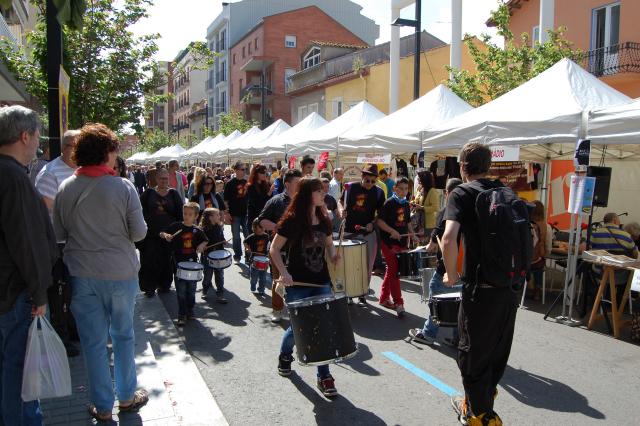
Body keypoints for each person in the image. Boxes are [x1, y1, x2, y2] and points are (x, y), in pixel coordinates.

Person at [53, 123, 149, 422]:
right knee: (123, 336)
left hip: (82, 274)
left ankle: (103, 406)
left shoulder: (66, 187)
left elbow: (59, 233)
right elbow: (139, 233)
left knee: (93, 343)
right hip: (120, 273)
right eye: (114, 150)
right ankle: (127, 396)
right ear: (107, 152)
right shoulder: (123, 187)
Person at [442, 142, 516, 426]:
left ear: (463, 166)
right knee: (496, 351)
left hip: (479, 289)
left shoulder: (461, 192)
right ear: (489, 165)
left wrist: (451, 274)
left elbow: (448, 238)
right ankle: (479, 403)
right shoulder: (505, 192)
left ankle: (481, 416)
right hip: (509, 287)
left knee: (471, 353)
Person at [0, 105, 57, 426]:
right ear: (24, 136)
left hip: (9, 291)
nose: (39, 142)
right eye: (37, 136)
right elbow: (27, 243)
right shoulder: (13, 178)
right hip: (16, 293)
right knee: (20, 374)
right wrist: (39, 293)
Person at [269, 177, 340, 397]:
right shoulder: (292, 220)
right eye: (319, 190)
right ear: (308, 195)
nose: (323, 193)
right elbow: (274, 249)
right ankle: (285, 355)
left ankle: (324, 376)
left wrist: (334, 255)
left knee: (322, 328)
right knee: (299, 328)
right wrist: (284, 273)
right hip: (297, 283)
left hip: (321, 282)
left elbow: (329, 244)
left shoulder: (324, 219)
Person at [409, 178, 463, 345]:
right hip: (465, 265)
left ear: (447, 193)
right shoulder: (469, 210)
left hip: (447, 266)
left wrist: (429, 245)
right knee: (459, 301)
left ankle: (428, 334)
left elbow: (436, 242)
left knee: (435, 296)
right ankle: (458, 337)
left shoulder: (447, 212)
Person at [259, 169, 303, 322]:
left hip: (299, 249)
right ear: (287, 184)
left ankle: (297, 309)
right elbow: (262, 220)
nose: (300, 185)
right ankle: (277, 310)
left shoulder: (304, 201)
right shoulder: (275, 201)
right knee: (279, 280)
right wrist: (278, 228)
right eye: (297, 183)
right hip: (279, 249)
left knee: (298, 279)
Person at [338, 164, 385, 306]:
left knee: (367, 266)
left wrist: (373, 222)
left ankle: (363, 292)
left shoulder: (379, 192)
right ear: (362, 177)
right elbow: (340, 202)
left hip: (367, 233)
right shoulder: (350, 188)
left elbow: (380, 214)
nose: (370, 183)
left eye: (373, 181)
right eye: (367, 180)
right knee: (349, 264)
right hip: (349, 231)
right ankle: (349, 293)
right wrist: (341, 210)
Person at [160, 202, 208, 326]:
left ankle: (190, 310)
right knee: (181, 291)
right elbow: (162, 232)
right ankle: (181, 314)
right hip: (178, 264)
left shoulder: (197, 230)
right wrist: (166, 235)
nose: (186, 216)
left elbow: (205, 240)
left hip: (192, 265)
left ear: (196, 216)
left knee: (191, 291)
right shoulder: (176, 226)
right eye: (185, 213)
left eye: (190, 214)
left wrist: (201, 246)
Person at [376, 177, 418, 317]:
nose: (404, 191)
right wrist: (392, 231)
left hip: (402, 242)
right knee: (395, 272)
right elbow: (379, 222)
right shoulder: (388, 203)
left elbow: (407, 222)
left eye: (406, 189)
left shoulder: (405, 203)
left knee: (392, 269)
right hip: (388, 242)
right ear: (394, 188)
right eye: (401, 188)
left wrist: (413, 234)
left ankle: (383, 298)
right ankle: (399, 303)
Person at [138, 168, 184, 296]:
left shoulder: (174, 194)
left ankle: (164, 284)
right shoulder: (148, 193)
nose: (164, 181)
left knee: (166, 261)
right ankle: (149, 287)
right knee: (149, 260)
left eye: (166, 178)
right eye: (161, 178)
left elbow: (180, 214)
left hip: (169, 235)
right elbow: (139, 212)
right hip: (151, 234)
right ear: (156, 179)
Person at [35, 129, 79, 213]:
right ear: (63, 147)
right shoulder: (49, 174)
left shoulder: (85, 168)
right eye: (76, 146)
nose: (81, 150)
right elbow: (41, 212)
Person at [199, 208, 230, 303]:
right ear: (210, 217)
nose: (219, 216)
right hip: (207, 255)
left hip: (219, 255)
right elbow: (200, 242)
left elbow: (221, 237)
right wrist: (202, 246)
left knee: (219, 275)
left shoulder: (218, 227)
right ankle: (205, 290)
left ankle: (220, 294)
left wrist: (224, 241)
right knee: (207, 275)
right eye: (217, 215)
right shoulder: (204, 229)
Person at [224, 161, 249, 263]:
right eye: (242, 169)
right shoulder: (230, 183)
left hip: (246, 213)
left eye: (245, 169)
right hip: (234, 214)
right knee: (236, 236)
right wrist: (227, 213)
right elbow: (226, 201)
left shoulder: (246, 182)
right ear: (236, 170)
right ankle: (237, 255)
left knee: (248, 235)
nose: (244, 171)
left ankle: (248, 255)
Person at [528, 200, 552, 300]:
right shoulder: (547, 226)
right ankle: (537, 291)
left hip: (525, 259)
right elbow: (548, 246)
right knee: (539, 267)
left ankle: (523, 287)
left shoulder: (525, 224)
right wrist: (545, 254)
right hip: (538, 259)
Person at [244, 219, 270, 295]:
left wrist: (269, 253)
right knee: (254, 277)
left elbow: (269, 246)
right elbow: (245, 242)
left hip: (264, 260)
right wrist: (248, 248)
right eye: (260, 227)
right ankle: (253, 285)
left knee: (263, 277)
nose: (262, 229)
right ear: (255, 227)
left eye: (263, 227)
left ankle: (261, 289)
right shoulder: (252, 236)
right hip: (254, 259)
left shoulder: (266, 236)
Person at [412, 170, 440, 236]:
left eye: (419, 179)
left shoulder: (432, 191)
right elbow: (417, 200)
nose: (418, 181)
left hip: (428, 224)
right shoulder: (420, 189)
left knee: (425, 240)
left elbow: (435, 208)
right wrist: (412, 203)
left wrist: (422, 208)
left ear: (425, 180)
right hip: (418, 221)